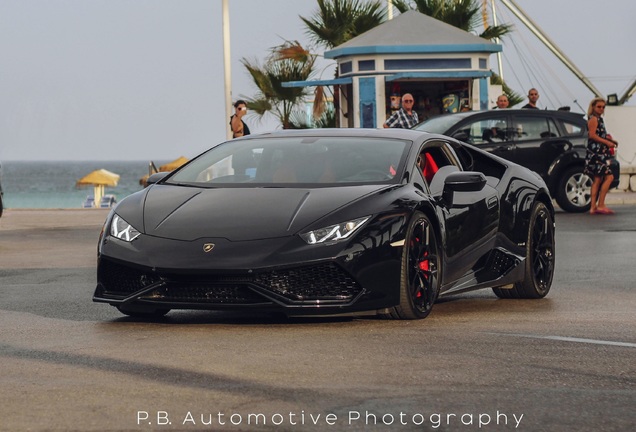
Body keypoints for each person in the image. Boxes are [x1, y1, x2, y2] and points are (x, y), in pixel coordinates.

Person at [584, 97, 618, 215]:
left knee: (597, 179)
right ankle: (600, 204)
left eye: (603, 107)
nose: (601, 109)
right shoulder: (593, 119)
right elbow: (592, 135)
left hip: (598, 152)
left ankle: (593, 207)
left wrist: (610, 140)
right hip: (596, 153)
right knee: (609, 177)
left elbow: (599, 135)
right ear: (593, 107)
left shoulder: (599, 119)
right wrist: (606, 142)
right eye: (599, 106)